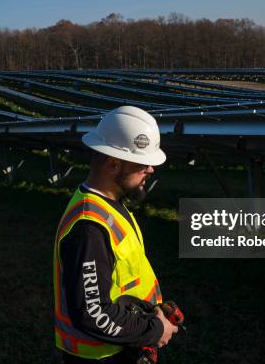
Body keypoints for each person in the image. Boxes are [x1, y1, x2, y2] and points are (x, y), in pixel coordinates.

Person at [53, 106, 178, 363]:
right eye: (143, 164)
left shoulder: (111, 206)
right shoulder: (89, 228)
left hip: (121, 346)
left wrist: (152, 311)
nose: (151, 170)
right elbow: (92, 313)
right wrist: (154, 330)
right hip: (102, 356)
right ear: (112, 164)